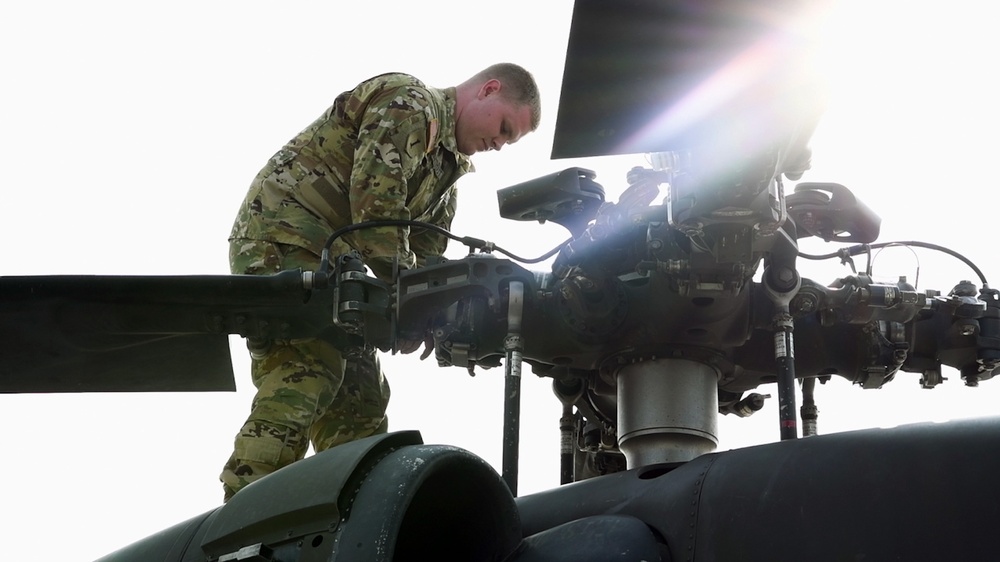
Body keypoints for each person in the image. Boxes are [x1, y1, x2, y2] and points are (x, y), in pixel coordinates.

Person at [220, 63, 541, 501]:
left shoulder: (445, 181)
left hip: (336, 272)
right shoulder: (409, 103)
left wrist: (426, 316)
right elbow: (376, 207)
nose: (500, 144)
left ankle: (343, 523)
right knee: (308, 370)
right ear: (488, 89)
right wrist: (408, 300)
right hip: (284, 237)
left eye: (510, 141)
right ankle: (246, 510)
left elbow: (425, 266)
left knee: (361, 404)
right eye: (504, 127)